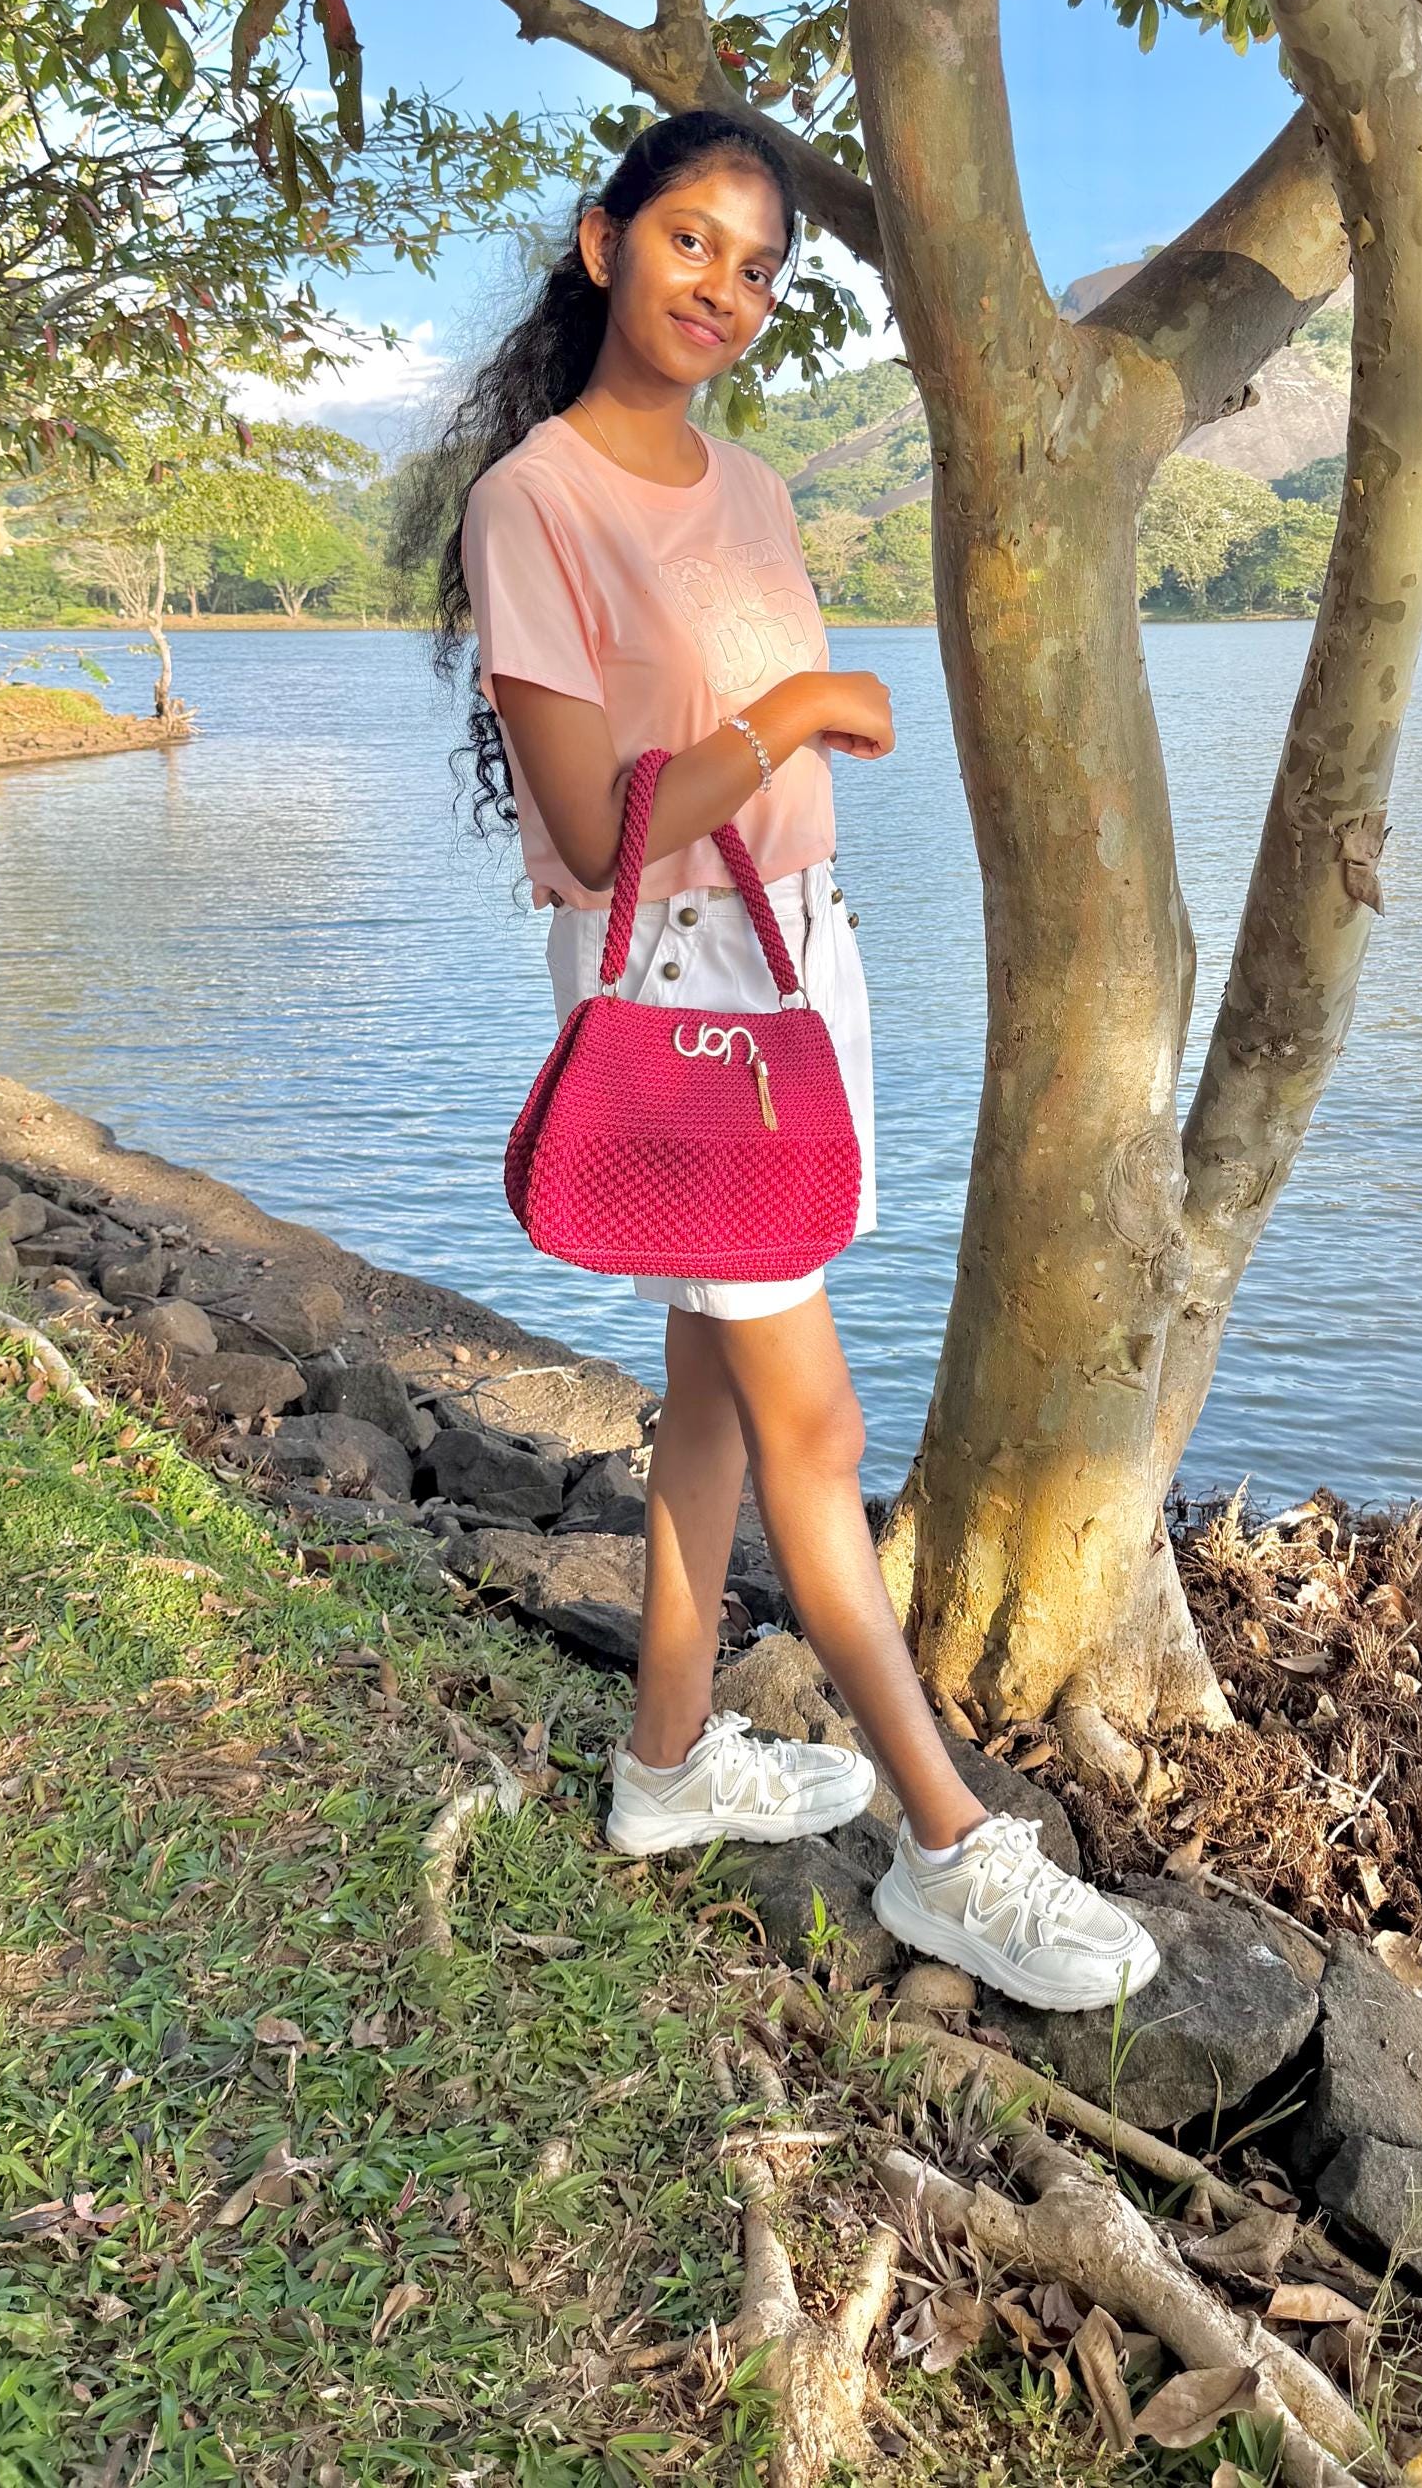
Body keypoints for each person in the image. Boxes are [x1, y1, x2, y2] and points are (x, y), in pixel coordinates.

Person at [433, 108, 1157, 2013]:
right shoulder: (534, 501)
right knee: (813, 1429)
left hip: (799, 966)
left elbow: (749, 789)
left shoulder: (750, 489)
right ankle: (951, 1846)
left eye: (759, 268)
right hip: (677, 991)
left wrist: (784, 746)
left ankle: (668, 1764)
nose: (725, 289)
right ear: (604, 242)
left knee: (711, 1394)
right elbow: (592, 827)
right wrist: (802, 708)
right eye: (690, 241)